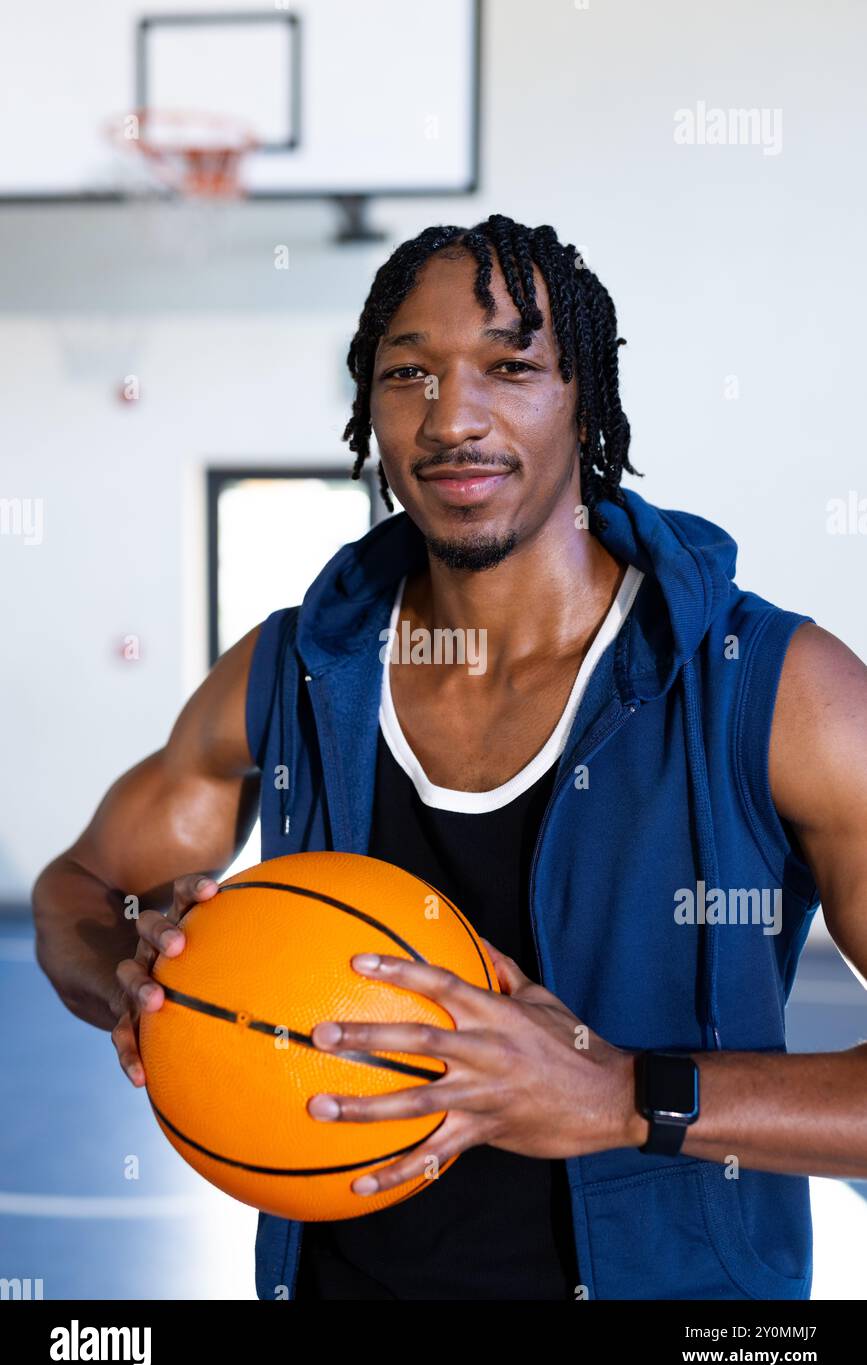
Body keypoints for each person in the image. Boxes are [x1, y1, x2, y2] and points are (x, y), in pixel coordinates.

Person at [33, 214, 867, 1301]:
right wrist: (131, 976)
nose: (452, 417)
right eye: (407, 373)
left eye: (511, 365)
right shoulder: (293, 670)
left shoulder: (777, 691)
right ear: (369, 407)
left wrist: (623, 1092)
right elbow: (75, 891)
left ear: (587, 402)